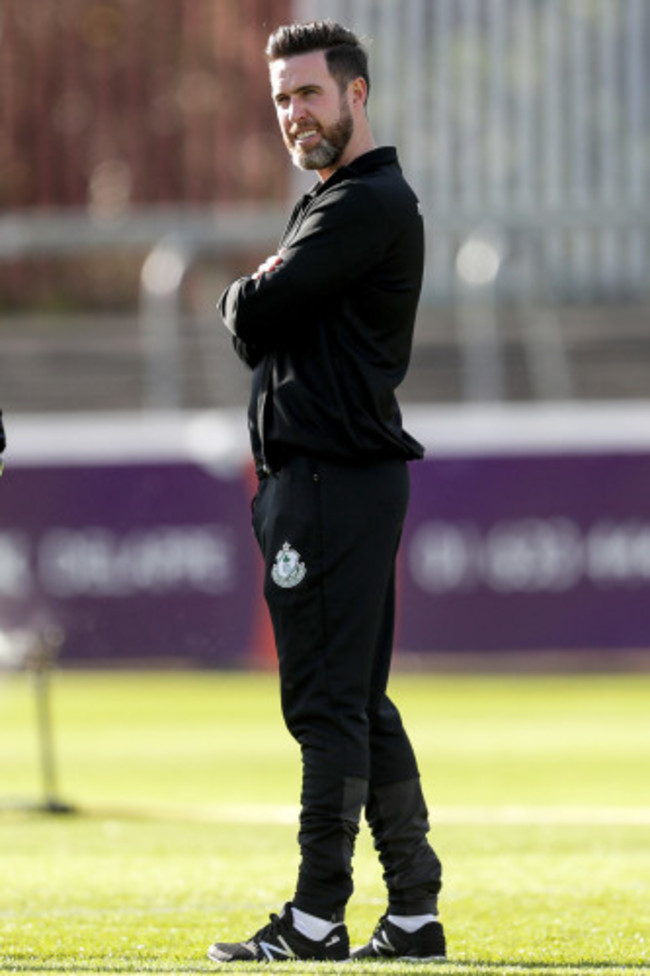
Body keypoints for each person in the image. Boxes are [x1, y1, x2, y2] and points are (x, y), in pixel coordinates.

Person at [209, 20, 445, 964]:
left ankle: (314, 916)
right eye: (279, 100)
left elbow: (254, 313)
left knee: (324, 704)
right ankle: (415, 909)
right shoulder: (336, 202)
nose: (291, 114)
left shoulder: (362, 203)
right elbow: (266, 313)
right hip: (331, 479)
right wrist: (258, 294)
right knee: (356, 698)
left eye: (307, 93)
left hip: (326, 479)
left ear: (356, 94)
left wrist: (246, 292)